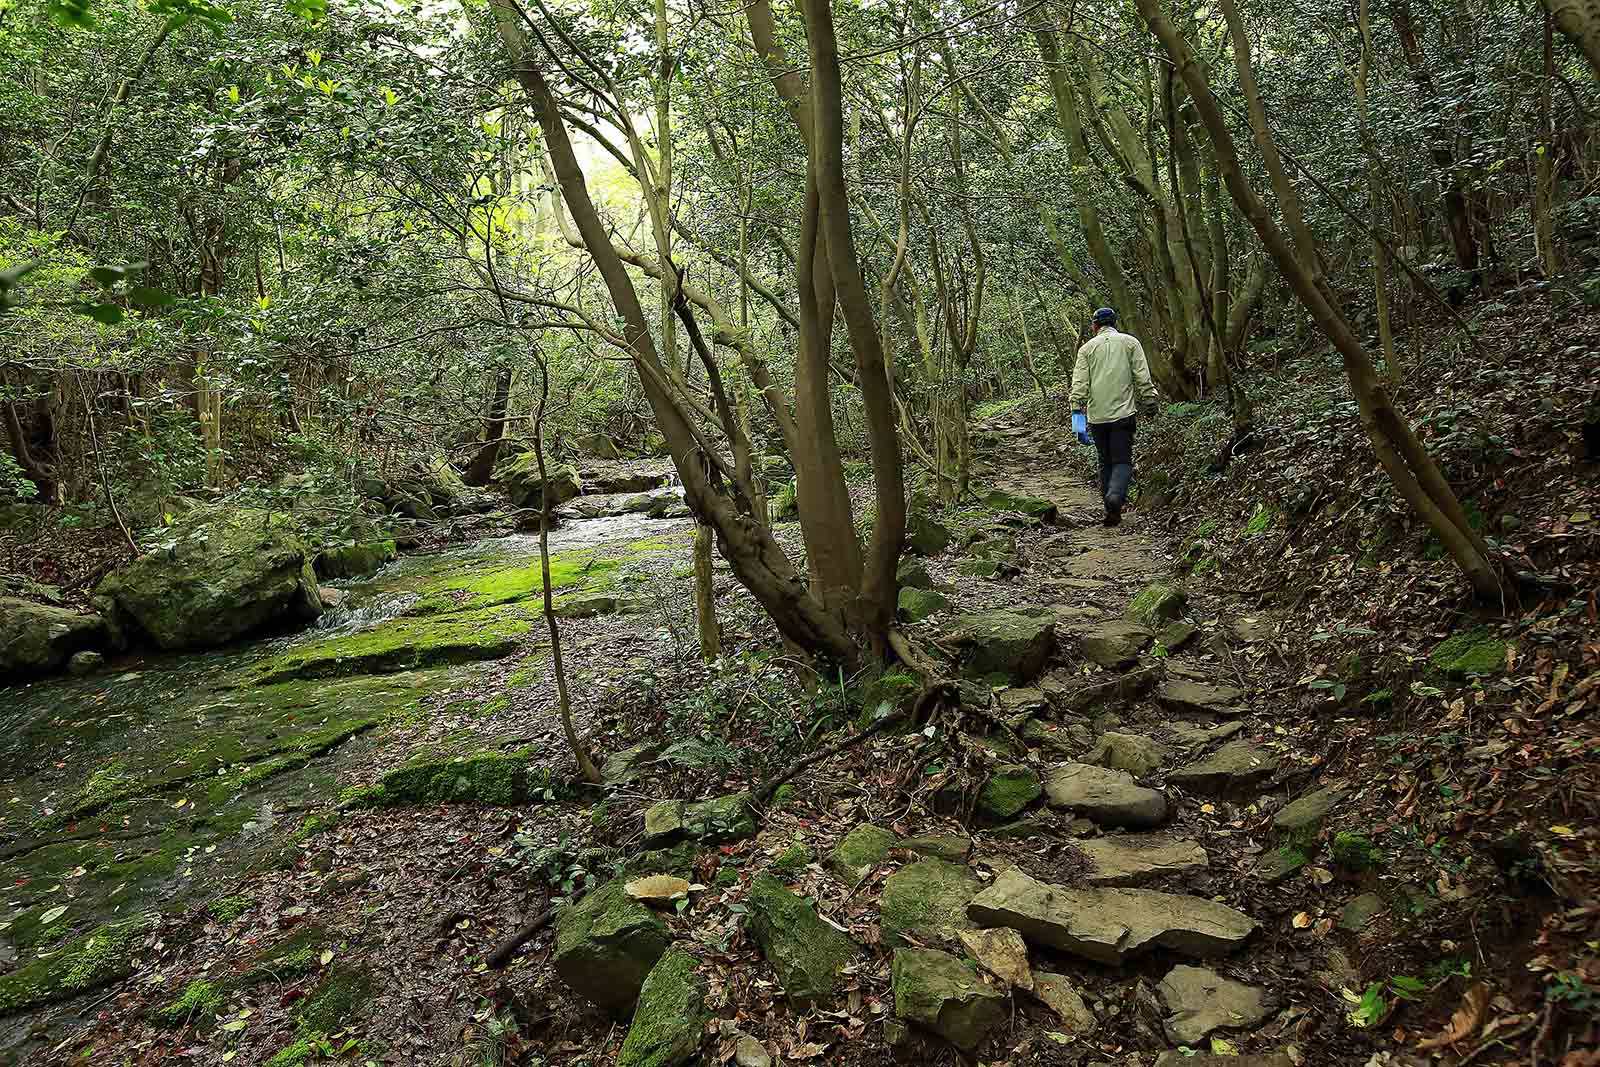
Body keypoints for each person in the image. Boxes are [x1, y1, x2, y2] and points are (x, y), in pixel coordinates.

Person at [1070, 307, 1159, 526]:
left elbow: (1078, 389)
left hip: (1097, 417)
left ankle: (1112, 513)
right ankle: (1115, 496)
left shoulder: (1086, 349)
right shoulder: (1130, 343)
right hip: (1123, 414)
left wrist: (1078, 426)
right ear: (1114, 323)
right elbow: (1142, 376)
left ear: (1095, 326)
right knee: (1122, 461)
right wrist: (1150, 401)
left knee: (1104, 462)